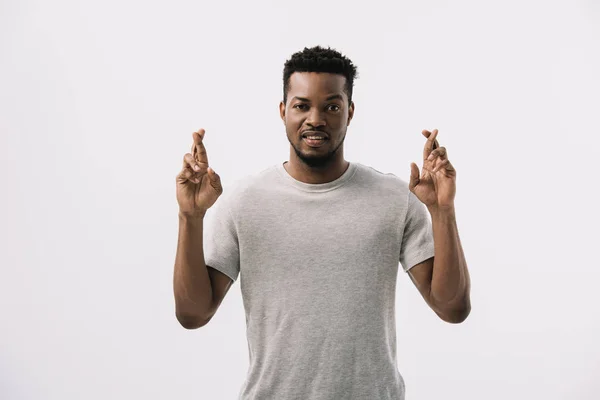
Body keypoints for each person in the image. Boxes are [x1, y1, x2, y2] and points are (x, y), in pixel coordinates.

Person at [173, 45, 471, 400]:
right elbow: (193, 314)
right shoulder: (245, 201)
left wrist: (442, 211)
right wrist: (190, 217)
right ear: (283, 111)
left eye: (332, 106)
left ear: (350, 112)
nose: (316, 118)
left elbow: (452, 307)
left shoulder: (394, 198)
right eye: (301, 106)